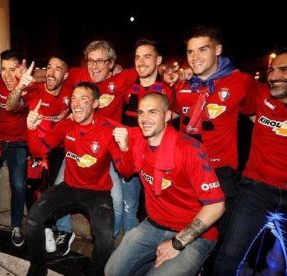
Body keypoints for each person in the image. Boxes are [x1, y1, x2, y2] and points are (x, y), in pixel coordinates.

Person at [105, 93, 225, 275]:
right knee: (112, 271)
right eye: (141, 113)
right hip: (154, 224)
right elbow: (126, 172)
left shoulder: (189, 149)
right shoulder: (138, 141)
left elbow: (217, 206)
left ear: (168, 115)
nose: (144, 119)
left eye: (152, 112)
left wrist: (178, 242)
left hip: (194, 234)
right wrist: (125, 149)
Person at [25, 82, 134, 276]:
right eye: (74, 98)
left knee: (105, 235)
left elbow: (125, 172)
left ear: (96, 104)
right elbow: (38, 150)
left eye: (84, 99)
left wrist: (125, 148)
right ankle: (37, 265)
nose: (77, 103)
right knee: (34, 217)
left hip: (98, 191)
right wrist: (31, 129)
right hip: (70, 186)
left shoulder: (108, 129)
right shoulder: (66, 125)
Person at [169, 25, 257, 250]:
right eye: (190, 52)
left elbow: (258, 117)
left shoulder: (241, 82)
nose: (195, 58)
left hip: (219, 170)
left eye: (202, 50)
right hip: (185, 166)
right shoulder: (183, 84)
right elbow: (171, 114)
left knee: (220, 234)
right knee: (184, 222)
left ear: (218, 49)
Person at [213, 49, 287, 275]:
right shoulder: (261, 96)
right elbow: (226, 76)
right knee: (229, 256)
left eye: (283, 70)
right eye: (271, 70)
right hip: (256, 190)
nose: (273, 76)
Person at [5, 54, 72, 252]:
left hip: (58, 150)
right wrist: (19, 87)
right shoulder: (34, 90)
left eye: (57, 69)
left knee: (53, 190)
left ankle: (50, 227)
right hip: (34, 147)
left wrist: (68, 115)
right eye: (48, 67)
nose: (51, 72)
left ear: (66, 75)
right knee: (32, 188)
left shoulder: (71, 91)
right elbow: (10, 106)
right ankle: (40, 227)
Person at [121, 39, 173, 233]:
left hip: (158, 164)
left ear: (158, 60)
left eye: (147, 56)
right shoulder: (128, 90)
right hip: (131, 163)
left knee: (157, 212)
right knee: (129, 209)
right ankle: (130, 252)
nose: (141, 62)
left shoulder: (168, 90)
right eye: (137, 57)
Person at [0, 50, 29, 246]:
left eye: (12, 69)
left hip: (19, 144)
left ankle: (15, 226)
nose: (6, 74)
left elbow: (12, 106)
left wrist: (21, 85)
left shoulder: (26, 89)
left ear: (20, 71)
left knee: (19, 186)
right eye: (3, 68)